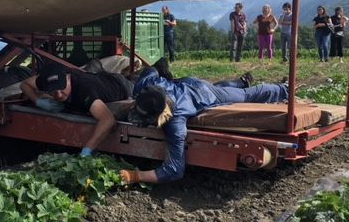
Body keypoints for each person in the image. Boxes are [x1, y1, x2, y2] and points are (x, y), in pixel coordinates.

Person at [120, 67, 289, 183]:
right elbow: (151, 70)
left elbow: (174, 170)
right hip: (186, 83)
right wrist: (162, 71)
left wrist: (136, 176)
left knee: (244, 95)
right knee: (225, 90)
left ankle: (283, 89)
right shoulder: (144, 86)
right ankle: (241, 81)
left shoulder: (175, 123)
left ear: (160, 116)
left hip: (203, 93)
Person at [20, 63, 134, 156]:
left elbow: (108, 120)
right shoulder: (46, 80)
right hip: (97, 78)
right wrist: (38, 101)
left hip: (120, 85)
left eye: (61, 88)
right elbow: (24, 84)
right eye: (53, 91)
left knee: (138, 85)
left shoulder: (84, 90)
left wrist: (88, 148)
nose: (59, 95)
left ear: (68, 78)